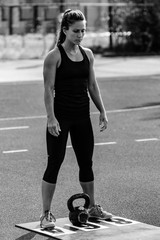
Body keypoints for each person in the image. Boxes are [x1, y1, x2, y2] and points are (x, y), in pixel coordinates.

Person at [40, 9, 112, 229]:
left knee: (86, 163)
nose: (80, 35)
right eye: (76, 31)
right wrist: (51, 118)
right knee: (54, 163)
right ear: (65, 30)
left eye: (83, 30)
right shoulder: (54, 56)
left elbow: (92, 85)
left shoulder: (87, 54)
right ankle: (46, 214)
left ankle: (91, 208)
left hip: (82, 117)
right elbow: (48, 89)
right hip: (60, 119)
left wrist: (102, 110)